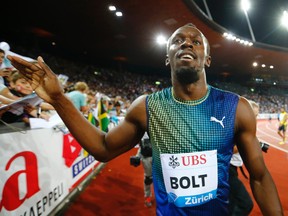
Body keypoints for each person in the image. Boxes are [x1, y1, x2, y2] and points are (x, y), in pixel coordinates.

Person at [7, 23, 283, 215]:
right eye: (177, 40)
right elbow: (104, 148)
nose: (187, 42)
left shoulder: (237, 108)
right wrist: (58, 98)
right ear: (167, 58)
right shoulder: (146, 107)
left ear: (207, 59)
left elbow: (259, 177)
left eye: (196, 41)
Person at [228, 100, 259, 215]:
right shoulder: (233, 127)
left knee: (230, 203)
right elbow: (227, 150)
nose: (254, 119)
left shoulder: (244, 127)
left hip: (231, 169)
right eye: (253, 115)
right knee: (245, 203)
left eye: (256, 116)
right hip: (226, 170)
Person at [130, 132, 153, 207]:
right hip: (146, 158)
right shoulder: (141, 131)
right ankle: (148, 197)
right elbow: (141, 147)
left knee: (162, 178)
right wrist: (137, 156)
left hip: (157, 157)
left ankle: (166, 197)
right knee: (148, 179)